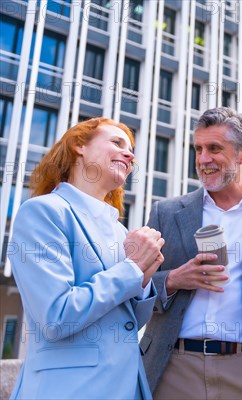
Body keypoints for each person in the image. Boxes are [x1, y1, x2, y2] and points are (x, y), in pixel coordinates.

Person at [140, 107, 242, 399]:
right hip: (173, 365)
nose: (202, 159)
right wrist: (174, 279)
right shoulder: (167, 212)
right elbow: (137, 291)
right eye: (198, 149)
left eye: (214, 148)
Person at [8, 117, 164, 399]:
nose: (129, 154)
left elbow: (126, 323)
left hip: (127, 388)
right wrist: (132, 269)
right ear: (79, 145)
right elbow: (57, 316)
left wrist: (143, 279)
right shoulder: (43, 212)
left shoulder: (120, 230)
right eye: (117, 142)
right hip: (68, 390)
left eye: (131, 150)